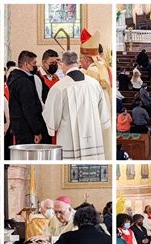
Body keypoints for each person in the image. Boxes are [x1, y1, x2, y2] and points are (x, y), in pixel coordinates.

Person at [43, 51, 110, 160]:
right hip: (93, 140)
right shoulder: (94, 84)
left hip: (69, 141)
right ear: (78, 62)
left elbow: (52, 121)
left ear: (63, 64)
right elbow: (103, 115)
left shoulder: (59, 88)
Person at [79, 29, 112, 159]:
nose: (81, 62)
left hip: (97, 110)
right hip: (105, 106)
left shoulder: (91, 71)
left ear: (87, 59)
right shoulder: (103, 66)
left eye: (82, 59)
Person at [8, 50, 45, 145]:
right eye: (34, 63)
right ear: (26, 64)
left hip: (21, 126)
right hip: (27, 128)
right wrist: (36, 131)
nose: (36, 66)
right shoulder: (24, 82)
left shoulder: (16, 78)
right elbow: (29, 108)